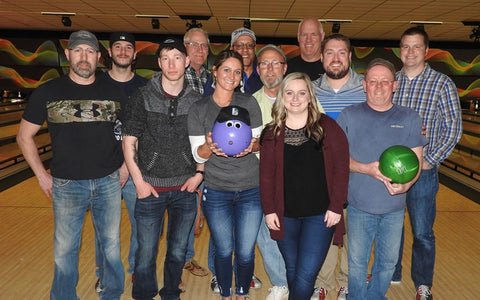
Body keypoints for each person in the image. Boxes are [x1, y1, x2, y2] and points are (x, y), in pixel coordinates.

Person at [16, 30, 126, 300]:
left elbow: (129, 135)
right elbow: (23, 136)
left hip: (108, 181)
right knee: (65, 250)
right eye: (78, 51)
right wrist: (42, 176)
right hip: (66, 185)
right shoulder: (48, 92)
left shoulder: (113, 92)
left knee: (110, 246)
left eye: (89, 51)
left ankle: (111, 294)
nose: (84, 57)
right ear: (68, 55)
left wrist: (124, 169)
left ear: (98, 57)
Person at [336, 58, 427, 300]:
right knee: (357, 263)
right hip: (359, 206)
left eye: (385, 82)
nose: (378, 86)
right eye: (373, 81)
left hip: (394, 208)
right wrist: (366, 168)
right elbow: (335, 160)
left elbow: (416, 162)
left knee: (386, 264)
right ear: (364, 85)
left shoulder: (410, 118)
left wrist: (407, 184)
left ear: (394, 86)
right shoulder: (349, 115)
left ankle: (375, 296)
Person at [122, 37, 203, 300]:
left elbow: (203, 141)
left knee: (178, 250)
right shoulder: (142, 96)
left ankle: (171, 294)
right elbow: (129, 140)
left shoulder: (196, 100)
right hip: (150, 188)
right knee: (145, 252)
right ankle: (144, 295)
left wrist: (199, 175)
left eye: (177, 57)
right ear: (158, 63)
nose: (172, 64)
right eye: (166, 58)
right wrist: (139, 182)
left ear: (187, 62)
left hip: (184, 189)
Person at [260, 72, 349, 300]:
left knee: (307, 274)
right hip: (284, 214)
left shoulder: (328, 127)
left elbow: (341, 169)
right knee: (293, 270)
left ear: (310, 97)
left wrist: (336, 206)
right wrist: (269, 210)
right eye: (289, 93)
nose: (296, 98)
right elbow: (266, 177)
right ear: (282, 97)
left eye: (301, 93)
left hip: (320, 215)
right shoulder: (271, 133)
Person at [392, 27, 462, 300]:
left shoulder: (441, 83)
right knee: (392, 225)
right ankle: (392, 271)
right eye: (405, 46)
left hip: (424, 172)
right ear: (400, 49)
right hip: (392, 170)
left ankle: (423, 284)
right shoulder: (392, 81)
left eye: (416, 47)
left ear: (425, 50)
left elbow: (453, 128)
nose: (410, 52)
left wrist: (430, 161)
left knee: (422, 232)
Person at [188, 49, 264, 300]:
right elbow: (198, 156)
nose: (232, 76)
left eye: (237, 71)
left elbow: (261, 142)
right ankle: (225, 294)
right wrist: (210, 146)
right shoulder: (199, 108)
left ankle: (241, 294)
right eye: (227, 70)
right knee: (223, 250)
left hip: (251, 188)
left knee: (244, 252)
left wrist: (250, 146)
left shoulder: (248, 103)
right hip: (217, 189)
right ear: (215, 72)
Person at [310, 33, 366, 300]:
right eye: (329, 52)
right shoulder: (310, 89)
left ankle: (347, 282)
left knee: (355, 232)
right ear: (321, 57)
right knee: (325, 229)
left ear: (350, 56)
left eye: (341, 52)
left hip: (358, 172)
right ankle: (322, 281)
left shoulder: (366, 87)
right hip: (321, 175)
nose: (335, 58)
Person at [94, 31, 148, 293]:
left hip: (137, 169)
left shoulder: (145, 87)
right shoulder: (95, 84)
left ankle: (137, 270)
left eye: (128, 47)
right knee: (105, 230)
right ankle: (104, 274)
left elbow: (148, 131)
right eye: (118, 46)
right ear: (110, 52)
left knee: (142, 225)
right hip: (103, 171)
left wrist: (128, 167)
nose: (124, 51)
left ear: (134, 54)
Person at [253, 44, 289, 300]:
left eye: (275, 63)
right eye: (264, 64)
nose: (270, 68)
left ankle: (299, 280)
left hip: (294, 178)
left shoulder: (300, 95)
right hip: (260, 179)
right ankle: (280, 282)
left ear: (284, 68)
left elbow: (318, 132)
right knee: (264, 234)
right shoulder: (250, 102)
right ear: (257, 70)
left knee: (293, 234)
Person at [181, 27, 210, 278]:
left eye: (204, 46)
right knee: (184, 213)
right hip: (183, 156)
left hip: (207, 152)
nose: (200, 50)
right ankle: (180, 263)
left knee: (196, 212)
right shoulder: (176, 75)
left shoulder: (212, 77)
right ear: (185, 48)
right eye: (194, 45)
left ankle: (187, 258)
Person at [204, 27, 262, 96]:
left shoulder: (263, 75)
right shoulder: (220, 76)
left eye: (249, 45)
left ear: (254, 49)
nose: (245, 49)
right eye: (240, 46)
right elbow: (208, 103)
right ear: (232, 49)